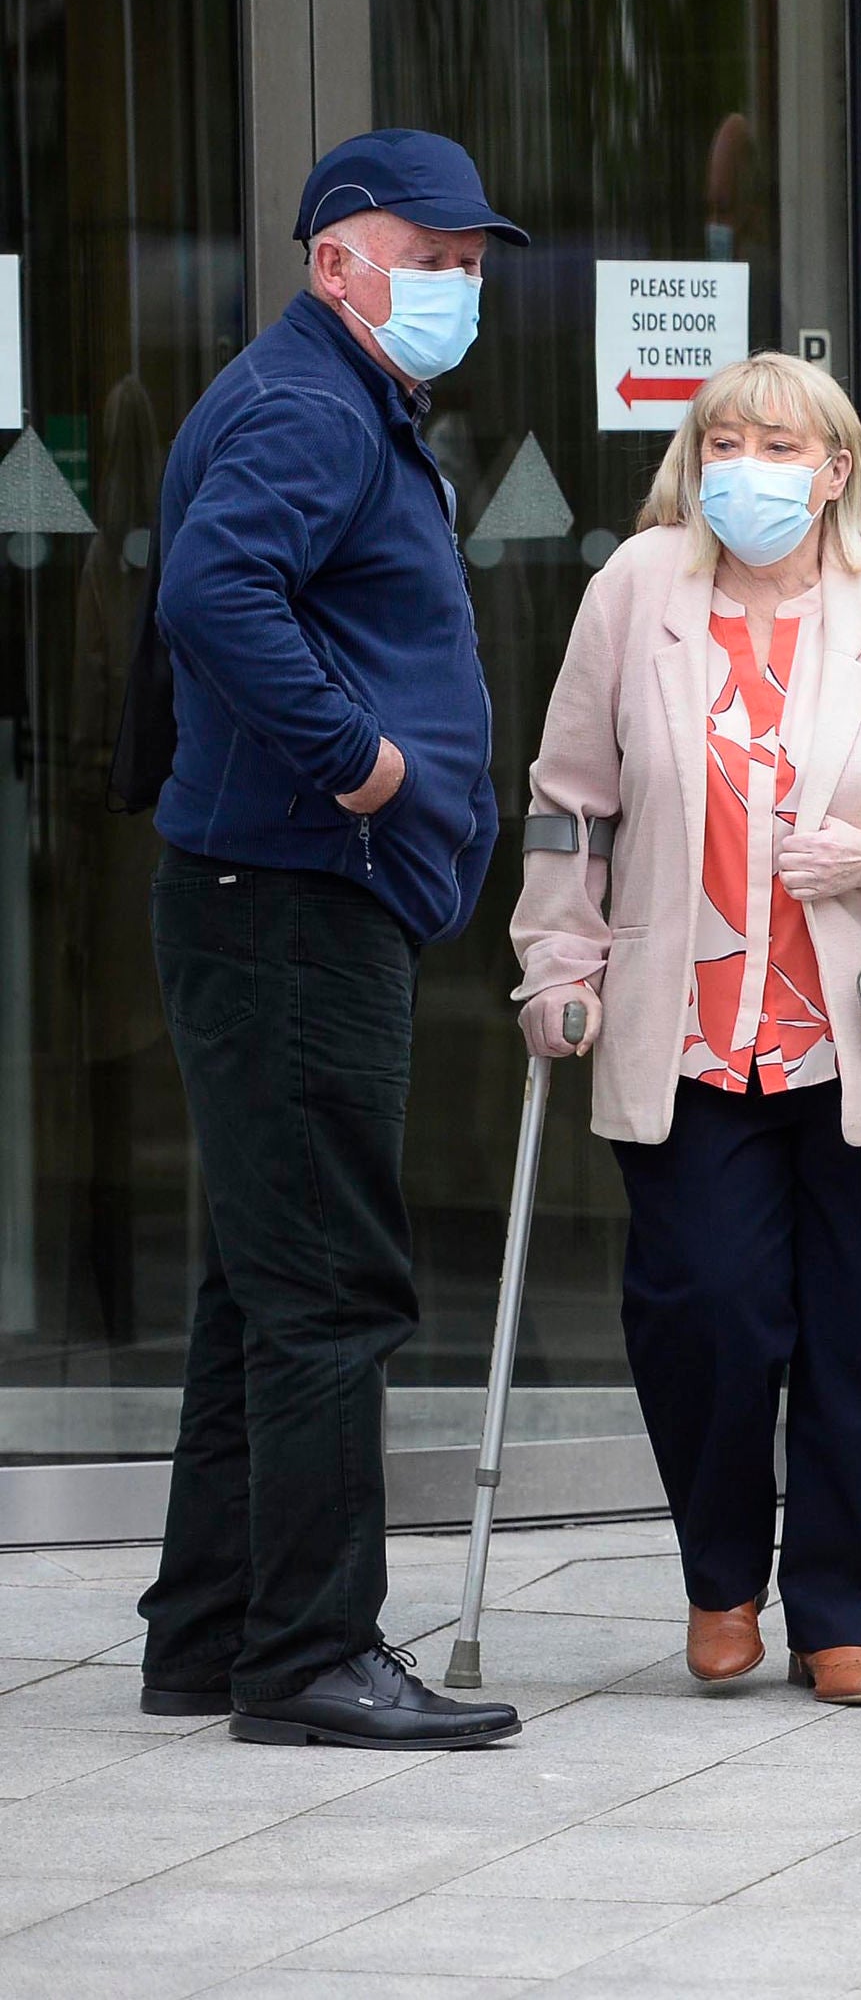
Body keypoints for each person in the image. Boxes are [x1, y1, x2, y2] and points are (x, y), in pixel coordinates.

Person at [512, 354, 861, 1708]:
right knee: (707, 1319)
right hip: (690, 1037)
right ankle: (720, 1581)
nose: (750, 466)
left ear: (837, 469)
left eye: (780, 444)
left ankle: (845, 1610)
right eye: (726, 441)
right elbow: (573, 797)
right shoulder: (637, 590)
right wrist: (553, 960)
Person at [132, 130, 523, 1751]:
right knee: (329, 1290)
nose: (459, 283)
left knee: (263, 1277)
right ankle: (308, 1657)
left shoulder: (337, 397)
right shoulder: (307, 401)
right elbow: (218, 595)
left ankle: (211, 1630)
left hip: (280, 895)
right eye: (426, 255)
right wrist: (361, 760)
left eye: (472, 259)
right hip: (291, 895)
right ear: (333, 260)